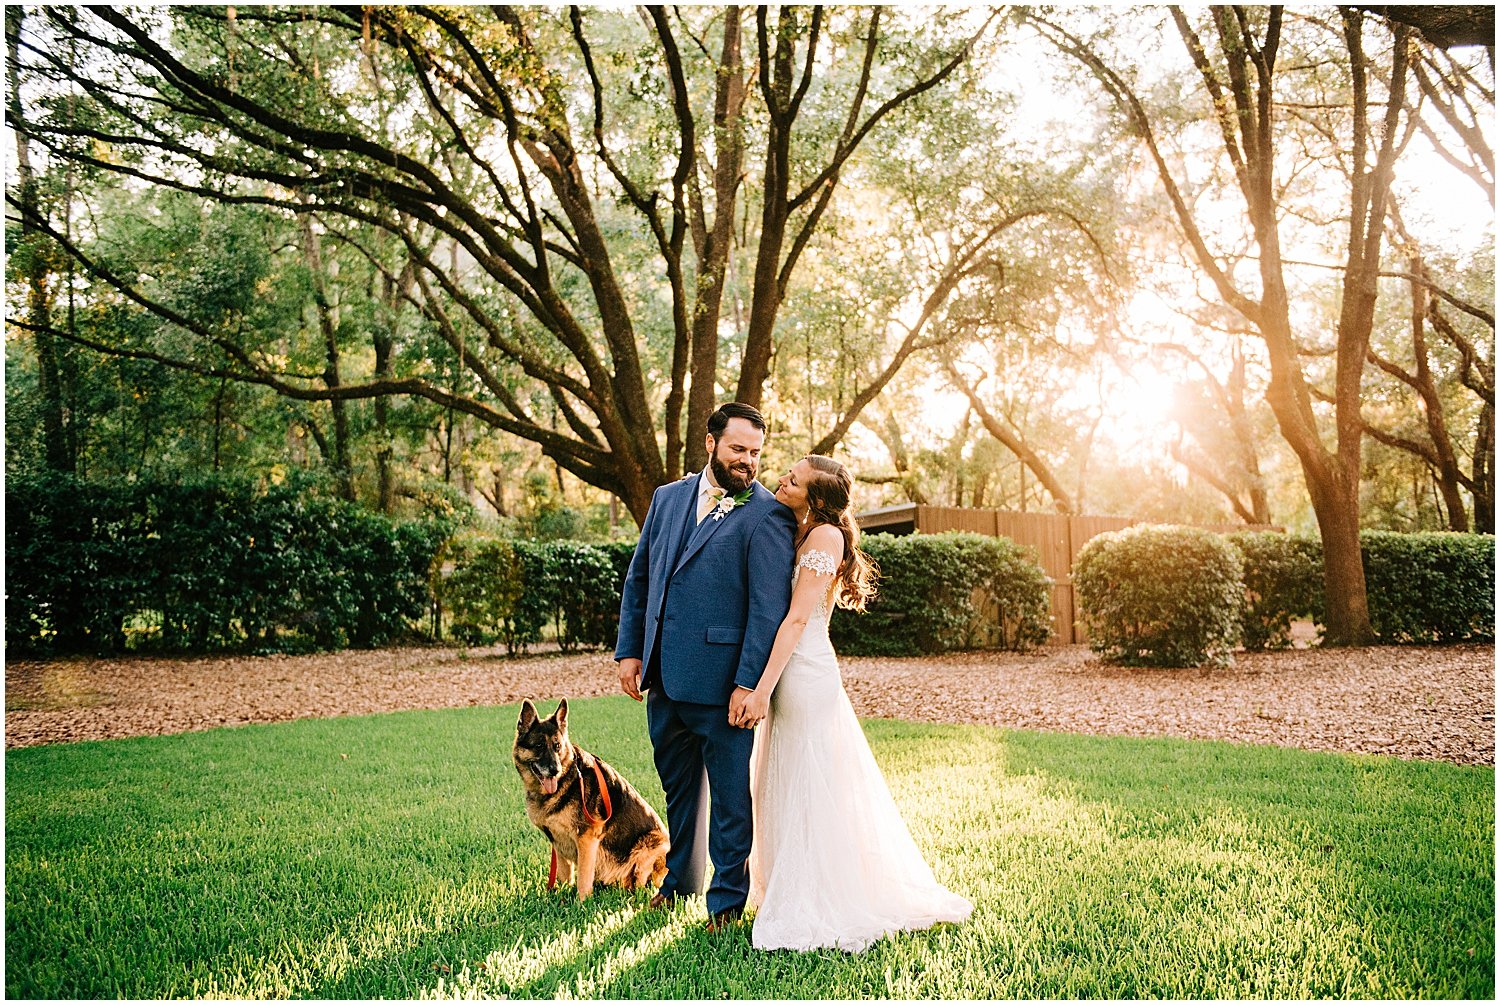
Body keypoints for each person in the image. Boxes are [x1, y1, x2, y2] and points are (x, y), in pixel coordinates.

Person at [742, 454, 973, 952]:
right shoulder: (801, 528)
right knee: (785, 776)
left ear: (818, 499)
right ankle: (785, 882)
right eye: (788, 473)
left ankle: (820, 896)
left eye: (794, 480)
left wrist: (761, 688)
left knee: (807, 779)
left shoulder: (824, 537)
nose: (782, 479)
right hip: (793, 669)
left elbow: (797, 620)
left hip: (803, 672)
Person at [614, 402, 797, 931]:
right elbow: (641, 578)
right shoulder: (666, 499)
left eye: (756, 452)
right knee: (678, 789)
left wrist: (748, 684)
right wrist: (630, 652)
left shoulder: (767, 515)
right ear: (711, 443)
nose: (748, 461)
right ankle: (679, 883)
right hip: (663, 680)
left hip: (724, 688)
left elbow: (767, 612)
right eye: (738, 449)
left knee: (731, 801)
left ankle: (725, 903)